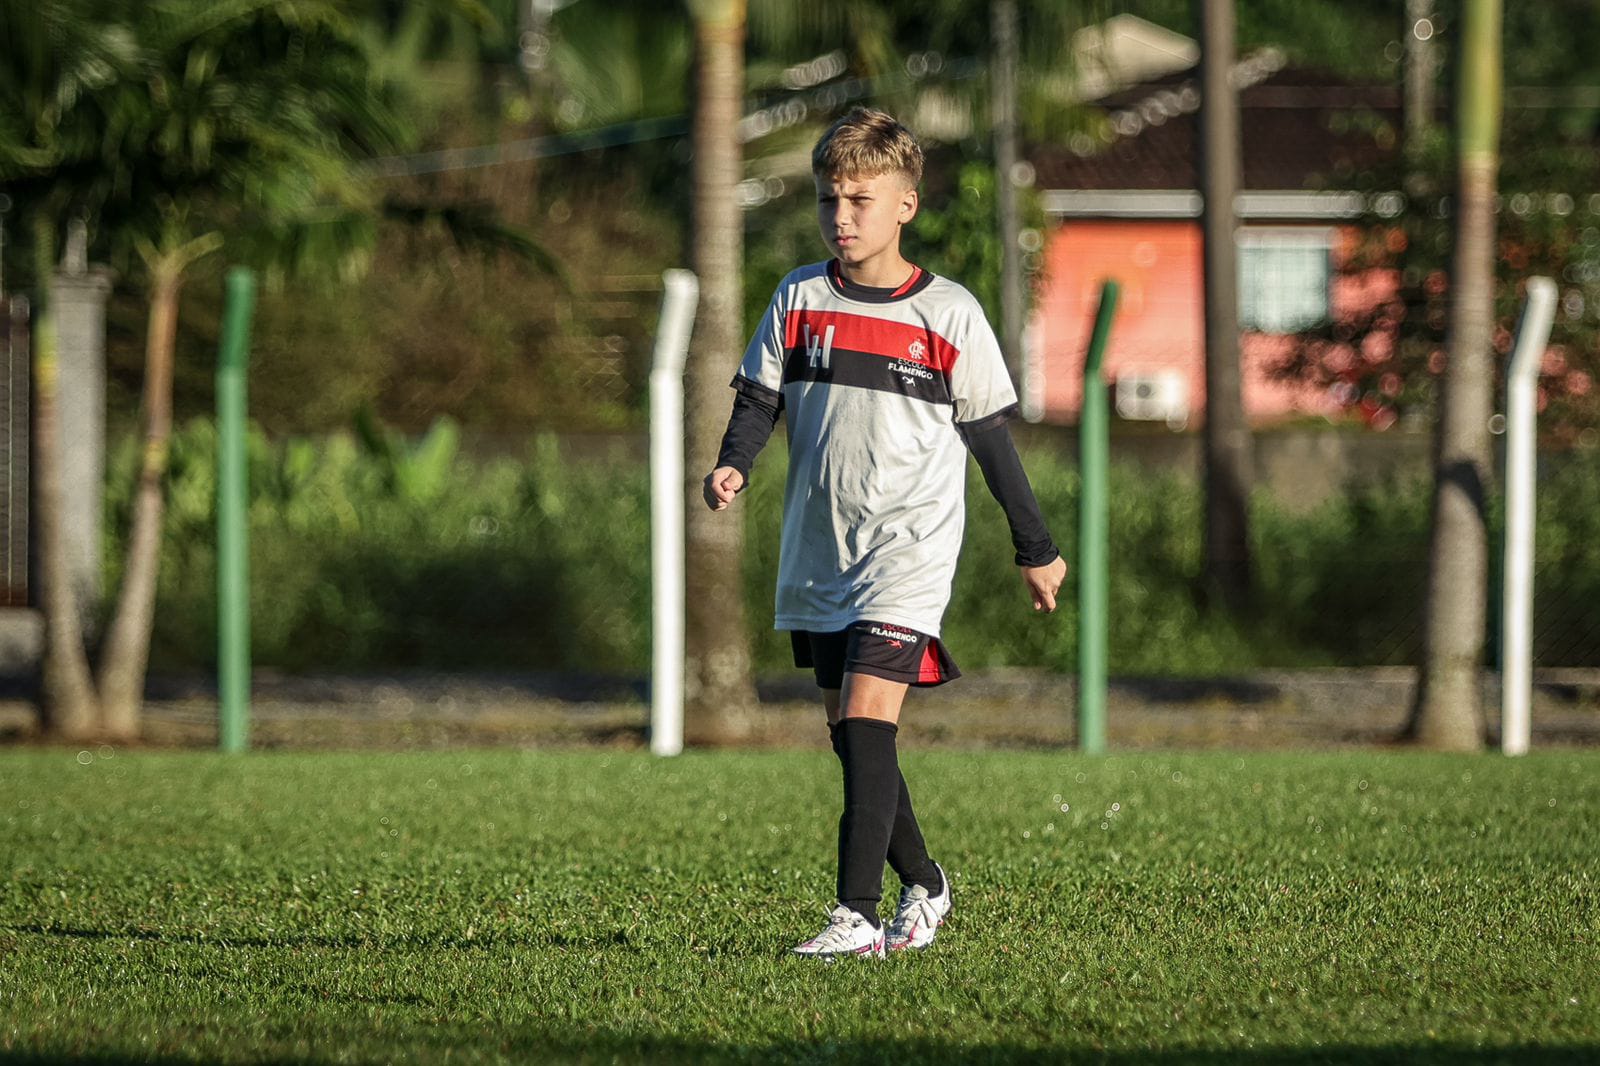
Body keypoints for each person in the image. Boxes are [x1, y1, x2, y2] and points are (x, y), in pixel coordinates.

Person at [702, 107, 1066, 960]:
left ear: (905, 205)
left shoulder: (949, 313)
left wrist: (1035, 546)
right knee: (851, 734)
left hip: (909, 551)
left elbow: (991, 440)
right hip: (820, 549)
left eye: (862, 199)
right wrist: (734, 463)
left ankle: (855, 915)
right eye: (831, 198)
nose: (843, 215)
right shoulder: (800, 296)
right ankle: (927, 884)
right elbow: (760, 397)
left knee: (868, 718)